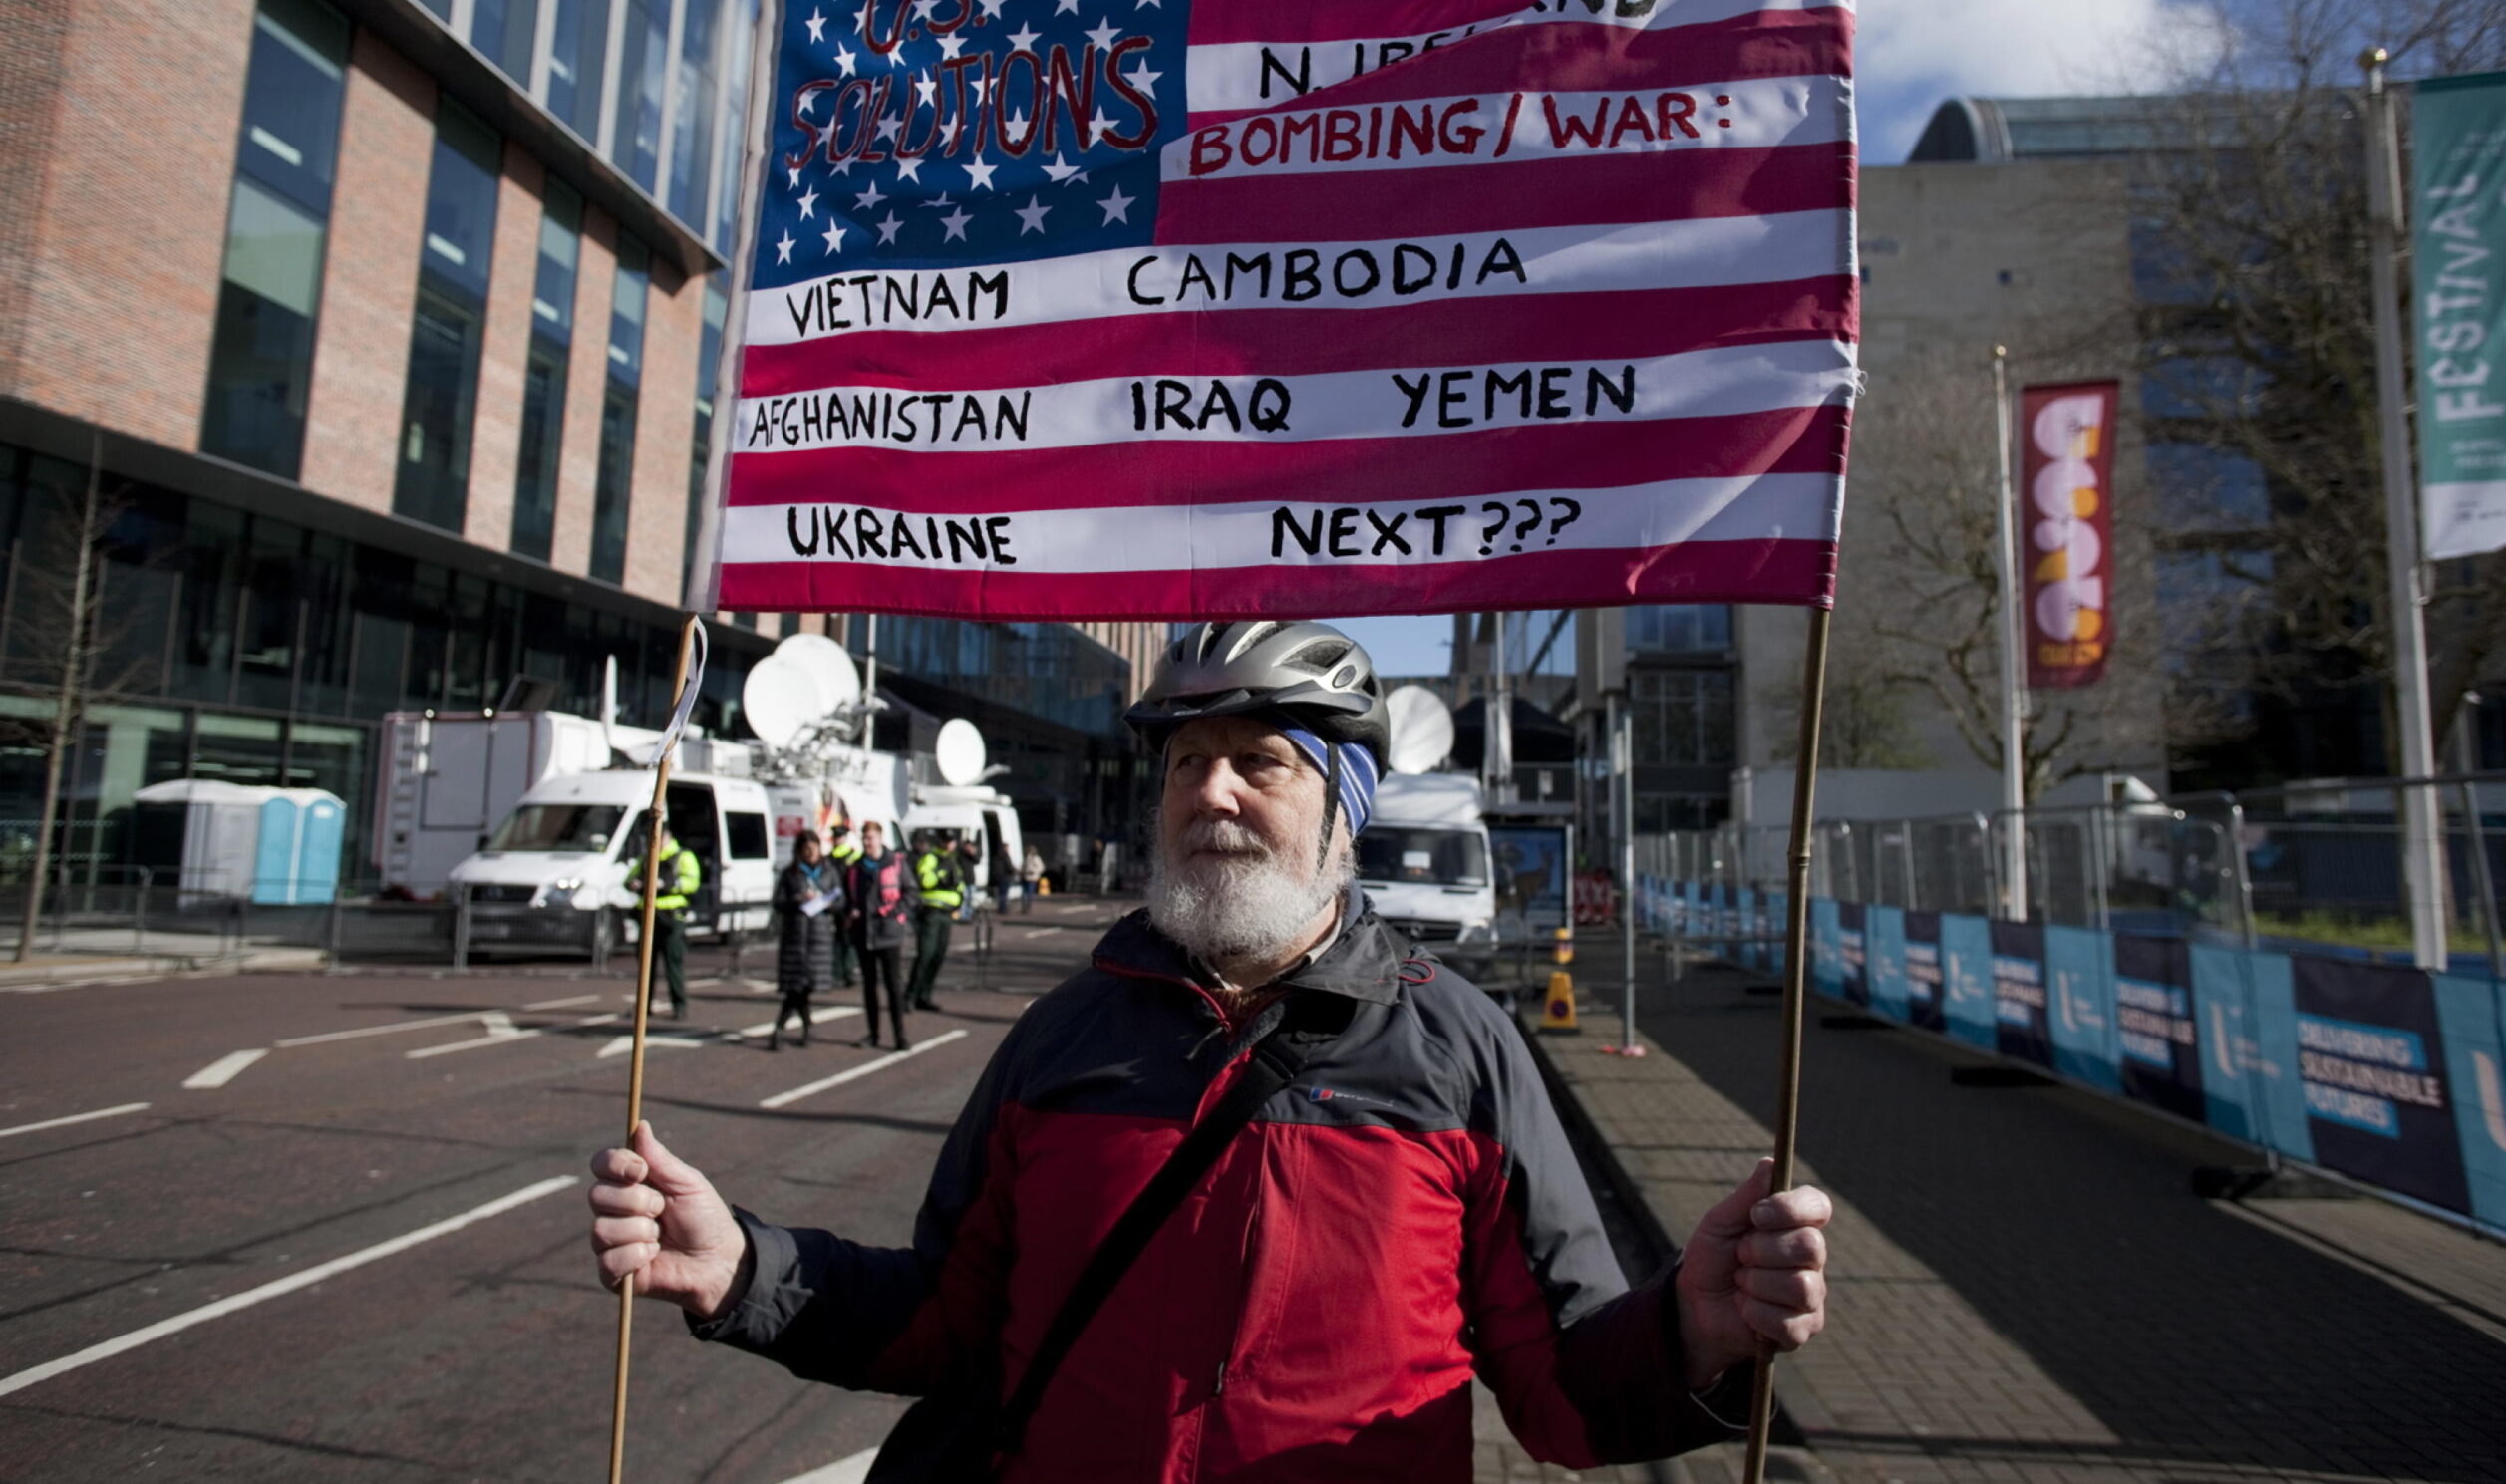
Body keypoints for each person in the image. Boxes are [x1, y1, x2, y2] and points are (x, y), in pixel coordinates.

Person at [588, 621, 1830, 1481]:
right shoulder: (1063, 1038)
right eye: (1188, 762)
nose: (1213, 793)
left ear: (1340, 809)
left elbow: (1559, 1390)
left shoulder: (1460, 1048)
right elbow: (948, 1323)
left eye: (1260, 763)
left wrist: (1692, 1334)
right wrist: (747, 1267)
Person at [841, 820, 912, 1050]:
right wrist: (849, 910)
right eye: (864, 839)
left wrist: (897, 911)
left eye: (871, 838)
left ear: (880, 838)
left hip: (889, 933)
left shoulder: (896, 863)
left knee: (893, 986)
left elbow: (912, 893)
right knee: (869, 987)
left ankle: (900, 1035)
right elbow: (846, 898)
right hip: (864, 934)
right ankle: (873, 1034)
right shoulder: (855, 868)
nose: (867, 843)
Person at [771, 832, 841, 1049]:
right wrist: (797, 900)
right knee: (796, 986)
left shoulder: (829, 872)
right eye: (806, 850)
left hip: (819, 937)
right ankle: (792, 1028)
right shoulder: (790, 874)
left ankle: (786, 1028)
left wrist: (827, 903)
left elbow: (841, 901)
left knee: (804, 986)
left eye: (814, 849)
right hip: (795, 936)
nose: (811, 854)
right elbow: (778, 902)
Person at [623, 830, 700, 1023]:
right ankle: (643, 1006)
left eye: (658, 838)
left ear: (668, 838)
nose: (654, 841)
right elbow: (628, 878)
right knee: (645, 966)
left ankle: (679, 1006)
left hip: (671, 918)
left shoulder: (683, 856)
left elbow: (692, 882)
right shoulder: (647, 857)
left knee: (673, 965)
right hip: (647, 917)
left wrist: (665, 883)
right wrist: (633, 883)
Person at [905, 831, 962, 1012]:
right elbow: (925, 881)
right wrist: (940, 872)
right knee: (925, 955)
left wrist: (959, 899)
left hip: (947, 914)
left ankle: (925, 995)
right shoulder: (931, 858)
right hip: (931, 913)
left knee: (938, 956)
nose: (949, 845)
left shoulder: (952, 861)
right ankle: (909, 996)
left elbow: (959, 883)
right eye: (946, 841)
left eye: (951, 841)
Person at [827, 823, 861, 988]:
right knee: (841, 938)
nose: (837, 840)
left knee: (847, 938)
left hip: (848, 902)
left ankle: (846, 971)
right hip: (836, 903)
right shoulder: (830, 857)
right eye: (836, 837)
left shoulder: (852, 856)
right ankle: (841, 971)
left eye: (840, 837)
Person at [1018, 843, 1045, 917]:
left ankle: (1027, 907)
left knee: (1028, 893)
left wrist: (1033, 871)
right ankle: (1025, 907)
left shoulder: (1035, 858)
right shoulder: (1026, 858)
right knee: (1025, 893)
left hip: (1031, 878)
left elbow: (1041, 868)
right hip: (1026, 877)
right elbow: (1022, 867)